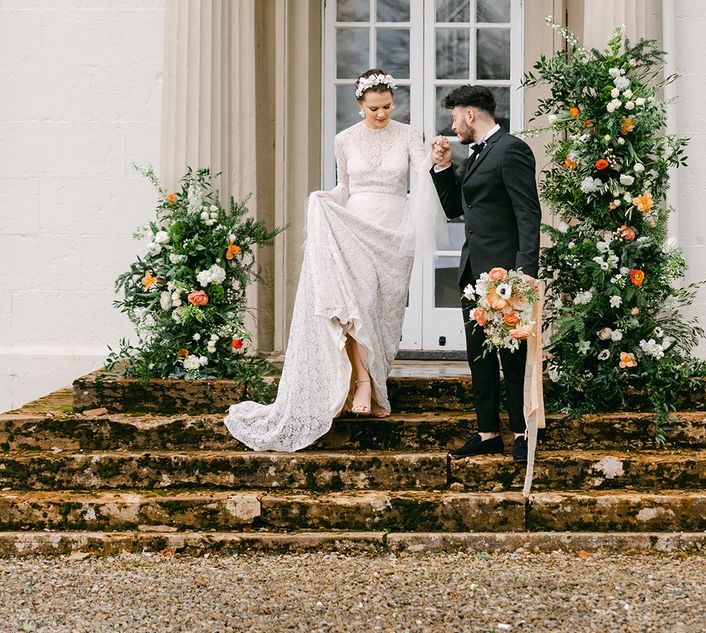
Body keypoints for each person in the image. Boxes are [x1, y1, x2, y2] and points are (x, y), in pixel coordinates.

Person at [225, 69, 433, 452]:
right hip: (353, 226)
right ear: (359, 106)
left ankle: (373, 384)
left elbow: (420, 174)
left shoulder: (408, 134)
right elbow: (344, 187)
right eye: (374, 108)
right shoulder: (344, 140)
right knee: (357, 304)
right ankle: (360, 384)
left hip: (392, 232)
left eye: (387, 106)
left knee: (384, 314)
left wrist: (435, 159)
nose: (382, 114)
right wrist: (325, 198)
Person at [430, 85, 541, 462]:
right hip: (474, 274)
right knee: (478, 356)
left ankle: (523, 432)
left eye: (454, 116)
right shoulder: (475, 156)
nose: (452, 125)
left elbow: (528, 214)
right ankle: (487, 432)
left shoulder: (511, 150)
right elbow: (454, 208)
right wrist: (443, 167)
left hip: (505, 278)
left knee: (512, 356)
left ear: (471, 114)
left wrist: (525, 271)